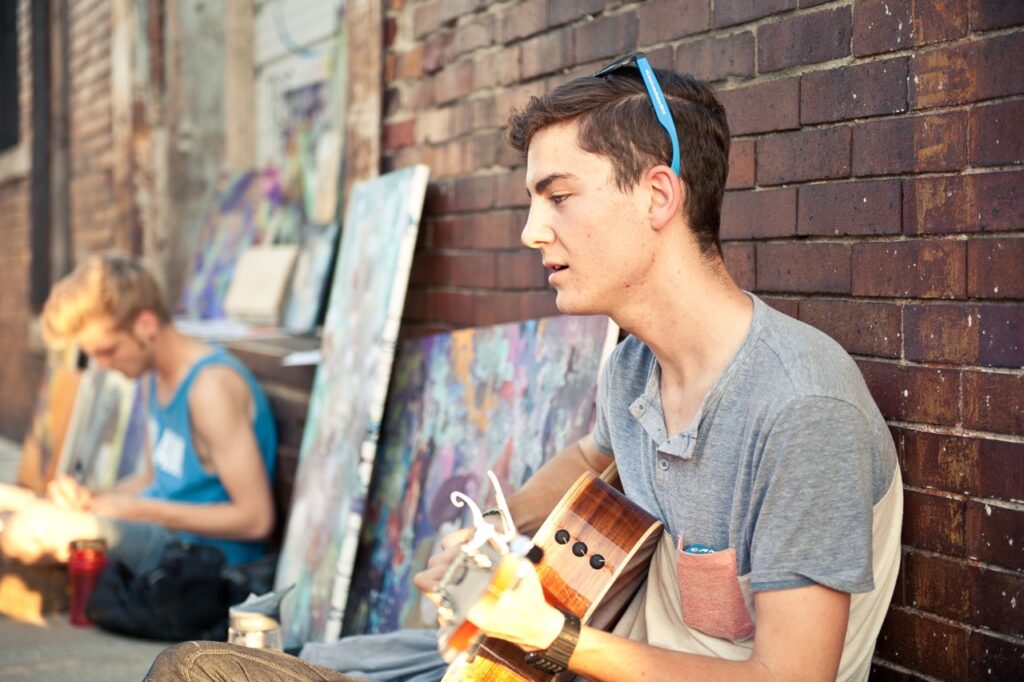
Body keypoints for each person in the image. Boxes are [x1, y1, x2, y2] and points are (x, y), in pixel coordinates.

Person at [146, 53, 901, 682]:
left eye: (559, 196)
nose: (531, 230)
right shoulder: (635, 367)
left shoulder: (801, 408)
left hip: (580, 658)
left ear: (659, 195)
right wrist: (491, 533)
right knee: (206, 667)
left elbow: (790, 679)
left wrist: (558, 638)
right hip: (569, 661)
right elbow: (587, 457)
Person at [0, 254, 278, 573]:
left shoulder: (209, 388)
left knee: (28, 529)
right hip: (161, 536)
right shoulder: (152, 380)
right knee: (11, 500)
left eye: (109, 350)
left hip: (203, 560)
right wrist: (91, 498)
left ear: (146, 325)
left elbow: (256, 520)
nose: (103, 366)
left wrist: (139, 510)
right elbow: (151, 477)